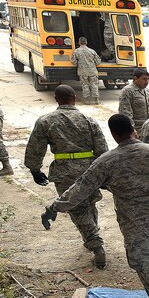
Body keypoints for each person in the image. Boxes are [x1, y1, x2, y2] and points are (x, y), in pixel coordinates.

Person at [41, 114, 149, 298]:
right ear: (134, 129)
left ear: (113, 134)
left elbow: (80, 189)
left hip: (134, 223)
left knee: (146, 265)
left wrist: (53, 207)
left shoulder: (107, 161)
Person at [24, 85, 110, 268]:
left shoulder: (46, 121)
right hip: (89, 170)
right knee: (88, 203)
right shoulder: (88, 120)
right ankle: (92, 235)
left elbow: (35, 147)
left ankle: (96, 244)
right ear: (74, 98)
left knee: (77, 209)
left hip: (65, 172)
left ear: (56, 99)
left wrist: (34, 170)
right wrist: (103, 174)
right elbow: (103, 150)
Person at [71, 36, 101, 104]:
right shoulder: (92, 51)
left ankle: (87, 100)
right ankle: (96, 100)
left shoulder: (76, 51)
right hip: (92, 71)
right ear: (86, 42)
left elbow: (74, 62)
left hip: (82, 71)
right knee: (94, 85)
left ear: (79, 43)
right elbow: (98, 62)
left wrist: (78, 64)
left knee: (85, 85)